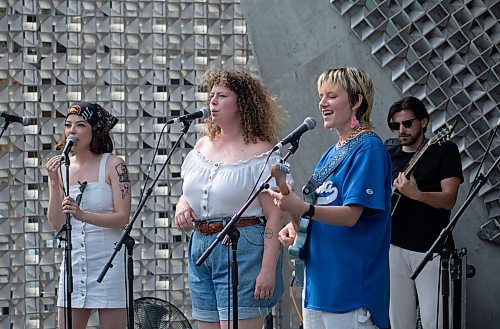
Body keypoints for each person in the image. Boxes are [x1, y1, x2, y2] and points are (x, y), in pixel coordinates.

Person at [269, 66, 392, 329]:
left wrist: (303, 208)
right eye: (321, 95)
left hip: (350, 293)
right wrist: (296, 225)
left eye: (331, 96)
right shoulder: (329, 154)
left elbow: (350, 215)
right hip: (318, 290)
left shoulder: (369, 148)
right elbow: (319, 210)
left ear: (357, 101)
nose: (322, 102)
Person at [174, 68, 286, 329]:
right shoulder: (202, 145)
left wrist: (268, 269)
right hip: (201, 245)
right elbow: (191, 191)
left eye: (222, 95)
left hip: (242, 246)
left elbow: (274, 215)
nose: (212, 101)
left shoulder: (262, 152)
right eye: (211, 95)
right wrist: (183, 205)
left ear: (242, 103)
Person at [46, 102, 131, 329]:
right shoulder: (62, 169)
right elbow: (57, 223)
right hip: (74, 262)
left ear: (95, 131)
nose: (72, 131)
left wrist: (83, 215)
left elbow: (122, 217)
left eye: (80, 125)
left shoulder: (114, 165)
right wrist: (54, 182)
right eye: (68, 125)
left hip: (108, 263)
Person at [386, 96, 463, 329]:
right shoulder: (388, 154)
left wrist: (417, 194)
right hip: (394, 247)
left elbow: (449, 199)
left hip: (431, 249)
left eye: (408, 123)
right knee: (399, 321)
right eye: (396, 125)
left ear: (424, 122)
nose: (402, 130)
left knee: (435, 321)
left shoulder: (444, 150)